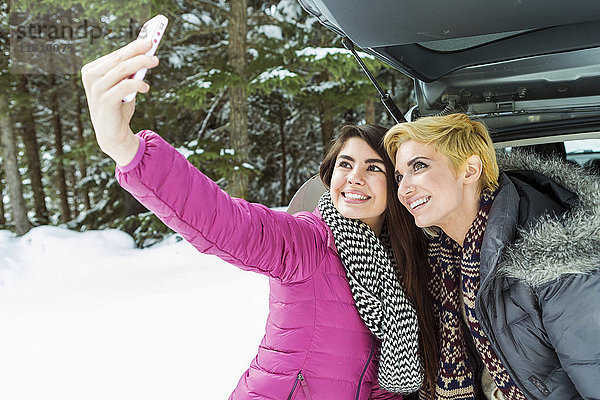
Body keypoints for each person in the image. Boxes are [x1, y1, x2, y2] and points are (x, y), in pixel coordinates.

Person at [80, 38, 439, 399]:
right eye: (345, 164)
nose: (354, 177)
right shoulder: (308, 243)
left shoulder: (397, 267)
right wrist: (128, 149)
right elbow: (222, 219)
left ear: (395, 186)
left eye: (373, 168)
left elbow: (378, 384)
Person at [384, 113, 600, 400]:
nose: (404, 189)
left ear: (470, 170)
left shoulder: (553, 260)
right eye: (399, 176)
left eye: (419, 167)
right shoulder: (445, 257)